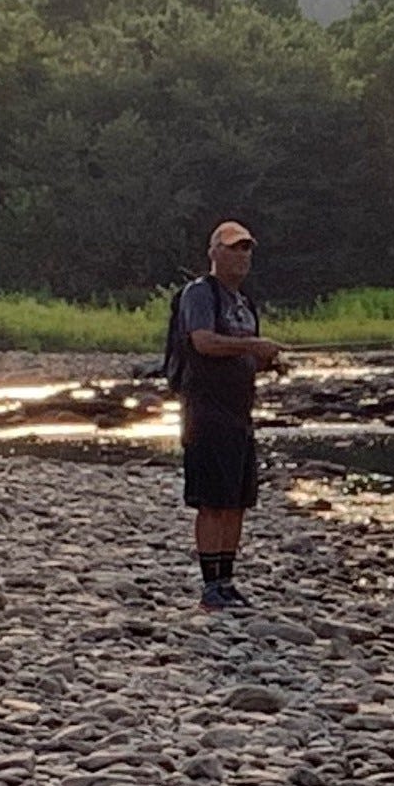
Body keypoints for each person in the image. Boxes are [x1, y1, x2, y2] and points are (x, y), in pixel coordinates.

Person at [176, 220, 286, 610]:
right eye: (232, 248)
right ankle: (209, 587)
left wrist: (265, 363)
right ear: (213, 253)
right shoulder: (200, 294)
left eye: (246, 249)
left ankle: (226, 581)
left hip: (240, 414)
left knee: (238, 500)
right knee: (212, 500)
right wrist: (254, 344)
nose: (241, 256)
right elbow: (203, 342)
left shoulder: (245, 303)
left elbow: (241, 356)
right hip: (205, 412)